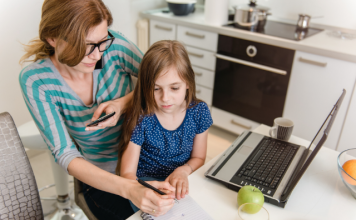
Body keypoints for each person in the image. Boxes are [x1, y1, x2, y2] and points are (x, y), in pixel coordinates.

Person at [18, 0, 175, 219]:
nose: (97, 55)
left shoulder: (112, 47)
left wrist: (122, 104)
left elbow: (160, 81)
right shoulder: (37, 81)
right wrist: (129, 188)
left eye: (102, 41)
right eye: (86, 45)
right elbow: (65, 154)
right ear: (53, 39)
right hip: (104, 180)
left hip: (151, 159)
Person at [117, 40, 213, 212]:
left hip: (182, 178)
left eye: (174, 88)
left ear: (188, 83)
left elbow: (199, 158)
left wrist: (183, 171)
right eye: (156, 89)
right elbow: (127, 174)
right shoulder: (141, 117)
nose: (165, 98)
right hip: (146, 182)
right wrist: (146, 189)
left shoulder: (199, 112)